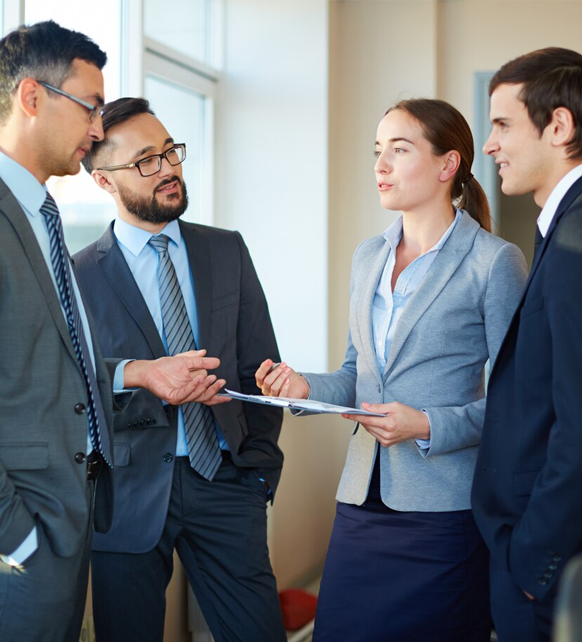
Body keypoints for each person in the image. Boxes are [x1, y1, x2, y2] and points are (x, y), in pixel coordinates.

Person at [256, 98, 528, 641]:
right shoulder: (368, 257)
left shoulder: (494, 262)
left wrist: (424, 424)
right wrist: (305, 386)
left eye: (398, 150)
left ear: (447, 165)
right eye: (378, 151)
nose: (380, 165)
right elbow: (357, 374)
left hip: (443, 512)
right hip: (361, 502)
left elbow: (516, 402)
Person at [0, 22, 222, 642]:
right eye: (90, 107)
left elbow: (44, 362)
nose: (98, 129)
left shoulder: (40, 214)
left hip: (68, 526)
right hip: (19, 544)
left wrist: (138, 373)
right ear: (32, 98)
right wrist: (14, 535)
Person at [73, 97, 285, 642]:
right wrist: (139, 373)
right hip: (126, 492)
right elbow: (73, 382)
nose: (168, 168)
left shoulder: (226, 250)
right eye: (146, 160)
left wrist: (257, 471)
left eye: (170, 151)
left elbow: (261, 362)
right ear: (104, 181)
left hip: (227, 481)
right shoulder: (78, 275)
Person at [471, 47, 582, 642]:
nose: (490, 145)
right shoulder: (562, 228)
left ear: (559, 126)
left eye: (503, 124)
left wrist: (532, 559)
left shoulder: (575, 240)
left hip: (550, 563)